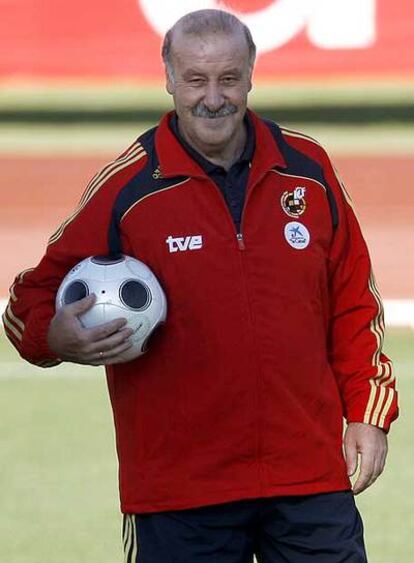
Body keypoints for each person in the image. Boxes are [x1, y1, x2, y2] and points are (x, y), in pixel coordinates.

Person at [3, 9, 398, 563]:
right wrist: (56, 338)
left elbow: (355, 302)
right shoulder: (128, 189)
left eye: (228, 79)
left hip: (308, 476)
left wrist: (367, 414)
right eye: (195, 80)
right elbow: (28, 301)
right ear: (168, 78)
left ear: (251, 75)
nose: (213, 98)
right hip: (180, 493)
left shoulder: (307, 170)